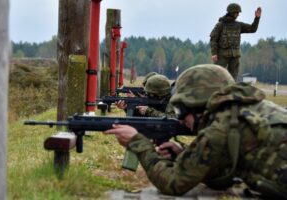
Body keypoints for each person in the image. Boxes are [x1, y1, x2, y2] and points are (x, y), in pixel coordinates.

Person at [105, 64, 287, 199]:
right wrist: (184, 155)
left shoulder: (219, 130)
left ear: (199, 106)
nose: (182, 119)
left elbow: (173, 183)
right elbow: (222, 163)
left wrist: (138, 142)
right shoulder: (258, 109)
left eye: (182, 111)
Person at [210, 3, 262, 80]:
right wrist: (214, 53)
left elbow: (252, 29)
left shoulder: (238, 25)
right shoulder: (220, 25)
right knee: (217, 76)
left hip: (235, 57)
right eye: (236, 12)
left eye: (238, 13)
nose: (238, 14)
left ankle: (231, 91)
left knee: (233, 79)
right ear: (231, 12)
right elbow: (213, 39)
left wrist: (257, 18)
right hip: (222, 56)